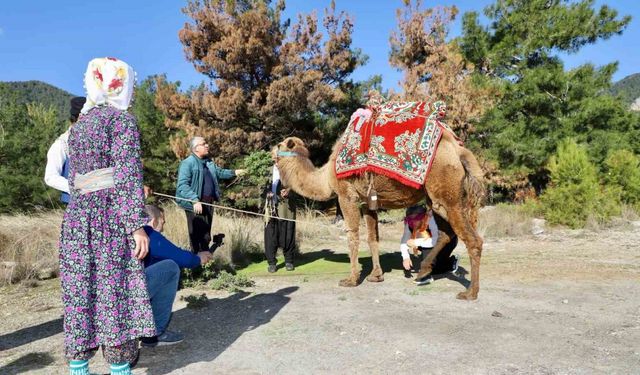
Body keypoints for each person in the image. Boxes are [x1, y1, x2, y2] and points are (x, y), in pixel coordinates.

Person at [59, 57, 155, 375]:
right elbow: (127, 176)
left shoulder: (80, 126)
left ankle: (78, 367)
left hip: (77, 218)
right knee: (114, 290)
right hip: (109, 217)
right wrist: (137, 226)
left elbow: (74, 182)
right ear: (120, 84)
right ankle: (119, 369)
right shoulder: (121, 122)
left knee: (80, 292)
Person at [140, 204, 213, 347]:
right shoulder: (148, 233)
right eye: (163, 222)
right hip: (132, 294)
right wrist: (198, 258)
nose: (163, 227)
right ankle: (155, 333)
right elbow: (181, 258)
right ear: (154, 221)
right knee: (170, 268)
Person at [176, 136, 246, 253]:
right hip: (195, 205)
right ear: (196, 148)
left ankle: (206, 264)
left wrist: (235, 172)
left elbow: (220, 172)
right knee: (197, 238)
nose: (207, 145)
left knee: (206, 237)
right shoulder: (187, 163)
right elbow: (182, 185)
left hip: (208, 203)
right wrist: (194, 200)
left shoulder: (208, 162)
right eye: (204, 144)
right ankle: (197, 267)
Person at [400, 205, 459, 285]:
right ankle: (450, 263)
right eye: (410, 220)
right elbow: (404, 241)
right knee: (435, 269)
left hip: (448, 242)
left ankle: (426, 275)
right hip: (428, 242)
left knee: (430, 261)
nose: (414, 222)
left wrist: (416, 242)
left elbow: (436, 241)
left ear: (424, 216)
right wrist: (406, 258)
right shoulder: (410, 224)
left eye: (417, 219)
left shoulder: (432, 220)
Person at [44, 96, 86, 204]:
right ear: (80, 118)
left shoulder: (97, 142)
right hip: (74, 206)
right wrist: (77, 187)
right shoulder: (61, 144)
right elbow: (50, 177)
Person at [263, 163, 301, 273]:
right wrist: (267, 192)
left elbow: (300, 188)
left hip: (287, 210)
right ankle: (271, 263)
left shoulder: (292, 171)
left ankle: (289, 261)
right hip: (270, 210)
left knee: (288, 236)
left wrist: (289, 191)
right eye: (275, 157)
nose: (278, 160)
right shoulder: (267, 170)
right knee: (270, 237)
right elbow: (262, 189)